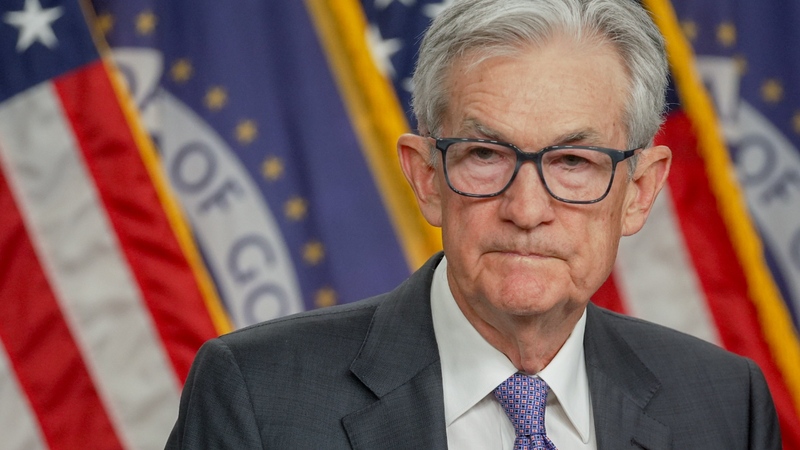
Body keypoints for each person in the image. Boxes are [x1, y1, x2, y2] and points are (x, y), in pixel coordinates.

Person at [166, 0, 781, 448]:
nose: (527, 209)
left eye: (573, 161)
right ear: (427, 177)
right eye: (486, 155)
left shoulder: (726, 403)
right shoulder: (256, 396)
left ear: (640, 191)